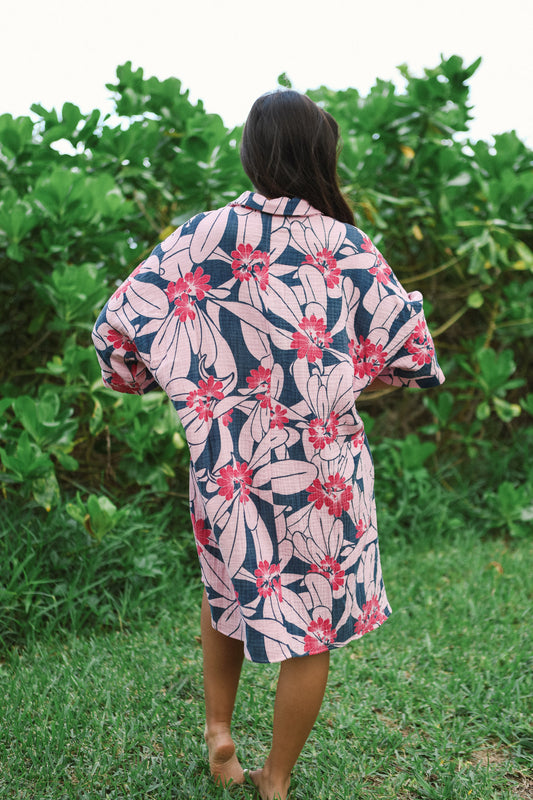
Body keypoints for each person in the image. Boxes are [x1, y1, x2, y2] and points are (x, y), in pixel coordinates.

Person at [92, 90, 445, 800]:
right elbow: (414, 354)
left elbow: (117, 328)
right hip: (324, 470)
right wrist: (348, 373)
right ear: (321, 154)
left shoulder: (202, 234)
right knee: (312, 628)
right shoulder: (348, 246)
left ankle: (219, 732)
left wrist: (173, 378)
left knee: (227, 587)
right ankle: (275, 781)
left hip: (228, 465)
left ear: (252, 154)